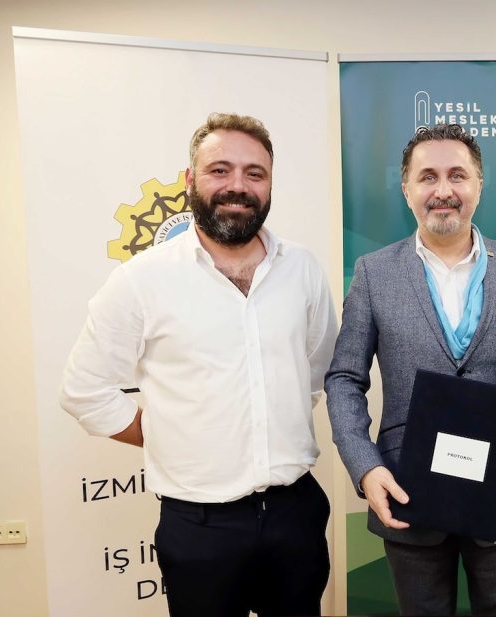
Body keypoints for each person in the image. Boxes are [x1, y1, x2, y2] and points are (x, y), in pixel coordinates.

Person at [60, 112, 337, 617]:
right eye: (220, 170)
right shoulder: (142, 280)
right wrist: (163, 433)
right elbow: (83, 390)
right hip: (200, 527)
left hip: (295, 514)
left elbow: (316, 372)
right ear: (191, 179)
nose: (238, 186)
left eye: (254, 173)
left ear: (270, 183)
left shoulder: (302, 268)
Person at [325, 123, 496, 616]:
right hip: (407, 491)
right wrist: (365, 466)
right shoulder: (373, 273)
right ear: (406, 189)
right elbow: (344, 379)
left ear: (479, 185)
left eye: (457, 175)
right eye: (427, 177)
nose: (443, 190)